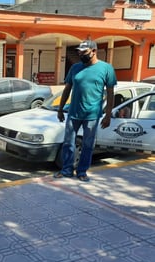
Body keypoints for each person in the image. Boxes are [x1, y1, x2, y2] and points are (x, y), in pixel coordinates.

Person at [54, 40, 117, 182]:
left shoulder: (106, 68)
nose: (80, 54)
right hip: (73, 113)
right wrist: (60, 109)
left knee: (88, 145)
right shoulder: (75, 68)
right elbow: (67, 89)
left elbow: (111, 93)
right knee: (68, 143)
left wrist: (108, 115)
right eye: (79, 52)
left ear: (94, 51)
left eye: (84, 52)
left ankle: (82, 172)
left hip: (92, 115)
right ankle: (66, 170)